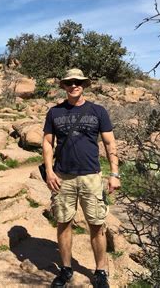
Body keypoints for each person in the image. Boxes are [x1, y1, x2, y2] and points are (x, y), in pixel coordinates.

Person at [42, 68, 121, 288]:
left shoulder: (98, 111)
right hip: (63, 177)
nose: (74, 85)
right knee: (63, 222)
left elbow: (109, 143)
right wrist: (49, 171)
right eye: (69, 82)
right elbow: (48, 143)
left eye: (78, 82)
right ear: (64, 86)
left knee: (96, 224)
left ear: (84, 85)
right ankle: (66, 269)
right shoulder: (54, 112)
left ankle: (101, 271)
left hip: (91, 177)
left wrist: (114, 173)